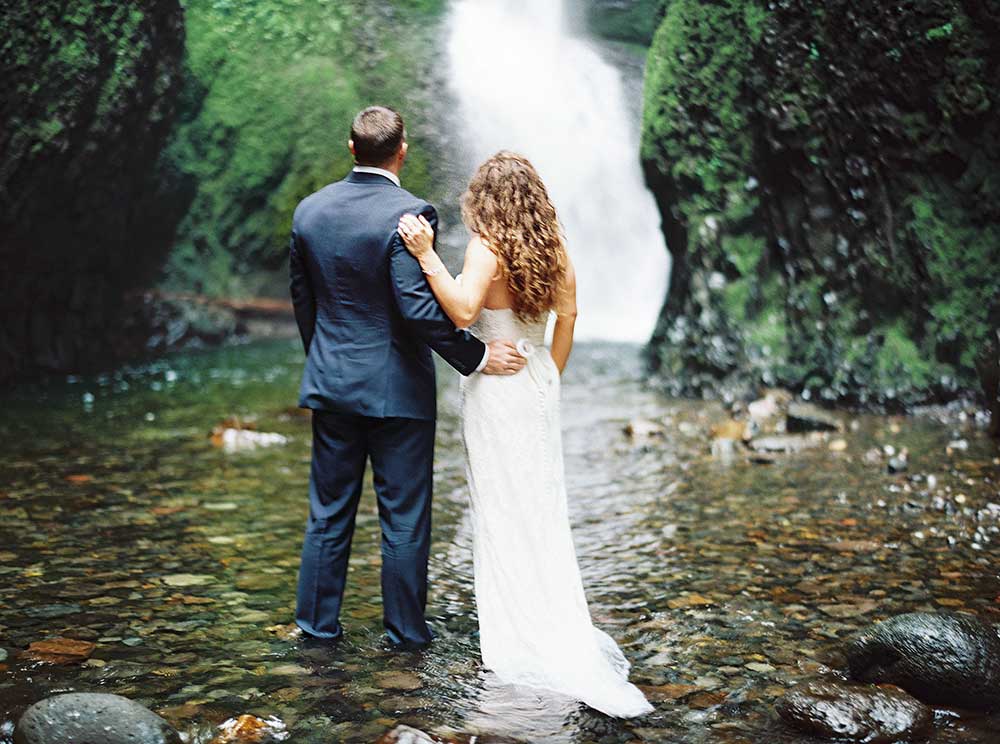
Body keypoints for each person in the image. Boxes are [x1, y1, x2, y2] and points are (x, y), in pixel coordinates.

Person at [397, 151, 652, 717]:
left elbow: (463, 312)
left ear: (482, 199)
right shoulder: (552, 248)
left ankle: (515, 638)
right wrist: (551, 372)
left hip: (495, 386)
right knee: (539, 504)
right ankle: (552, 620)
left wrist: (426, 256)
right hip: (534, 379)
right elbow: (571, 316)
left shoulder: (485, 246)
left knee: (501, 507)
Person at [288, 106, 526, 649]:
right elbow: (420, 311)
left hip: (332, 383)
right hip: (398, 391)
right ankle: (404, 634)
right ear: (402, 150)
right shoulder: (409, 213)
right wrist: (479, 357)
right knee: (403, 518)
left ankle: (316, 629)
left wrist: (326, 360)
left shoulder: (309, 211)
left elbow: (306, 302)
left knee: (327, 513)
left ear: (351, 149)